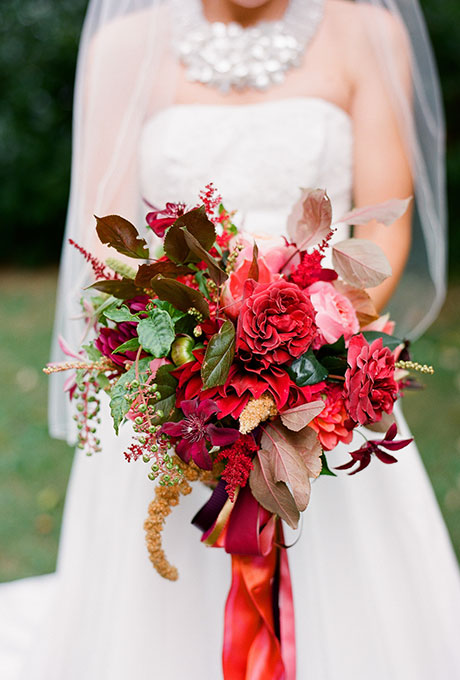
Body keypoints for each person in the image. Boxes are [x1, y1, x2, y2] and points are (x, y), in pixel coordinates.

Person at [1, 0, 460, 678]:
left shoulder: (367, 31)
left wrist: (308, 347)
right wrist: (192, 355)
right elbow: (111, 233)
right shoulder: (123, 47)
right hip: (176, 394)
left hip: (321, 380)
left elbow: (383, 226)